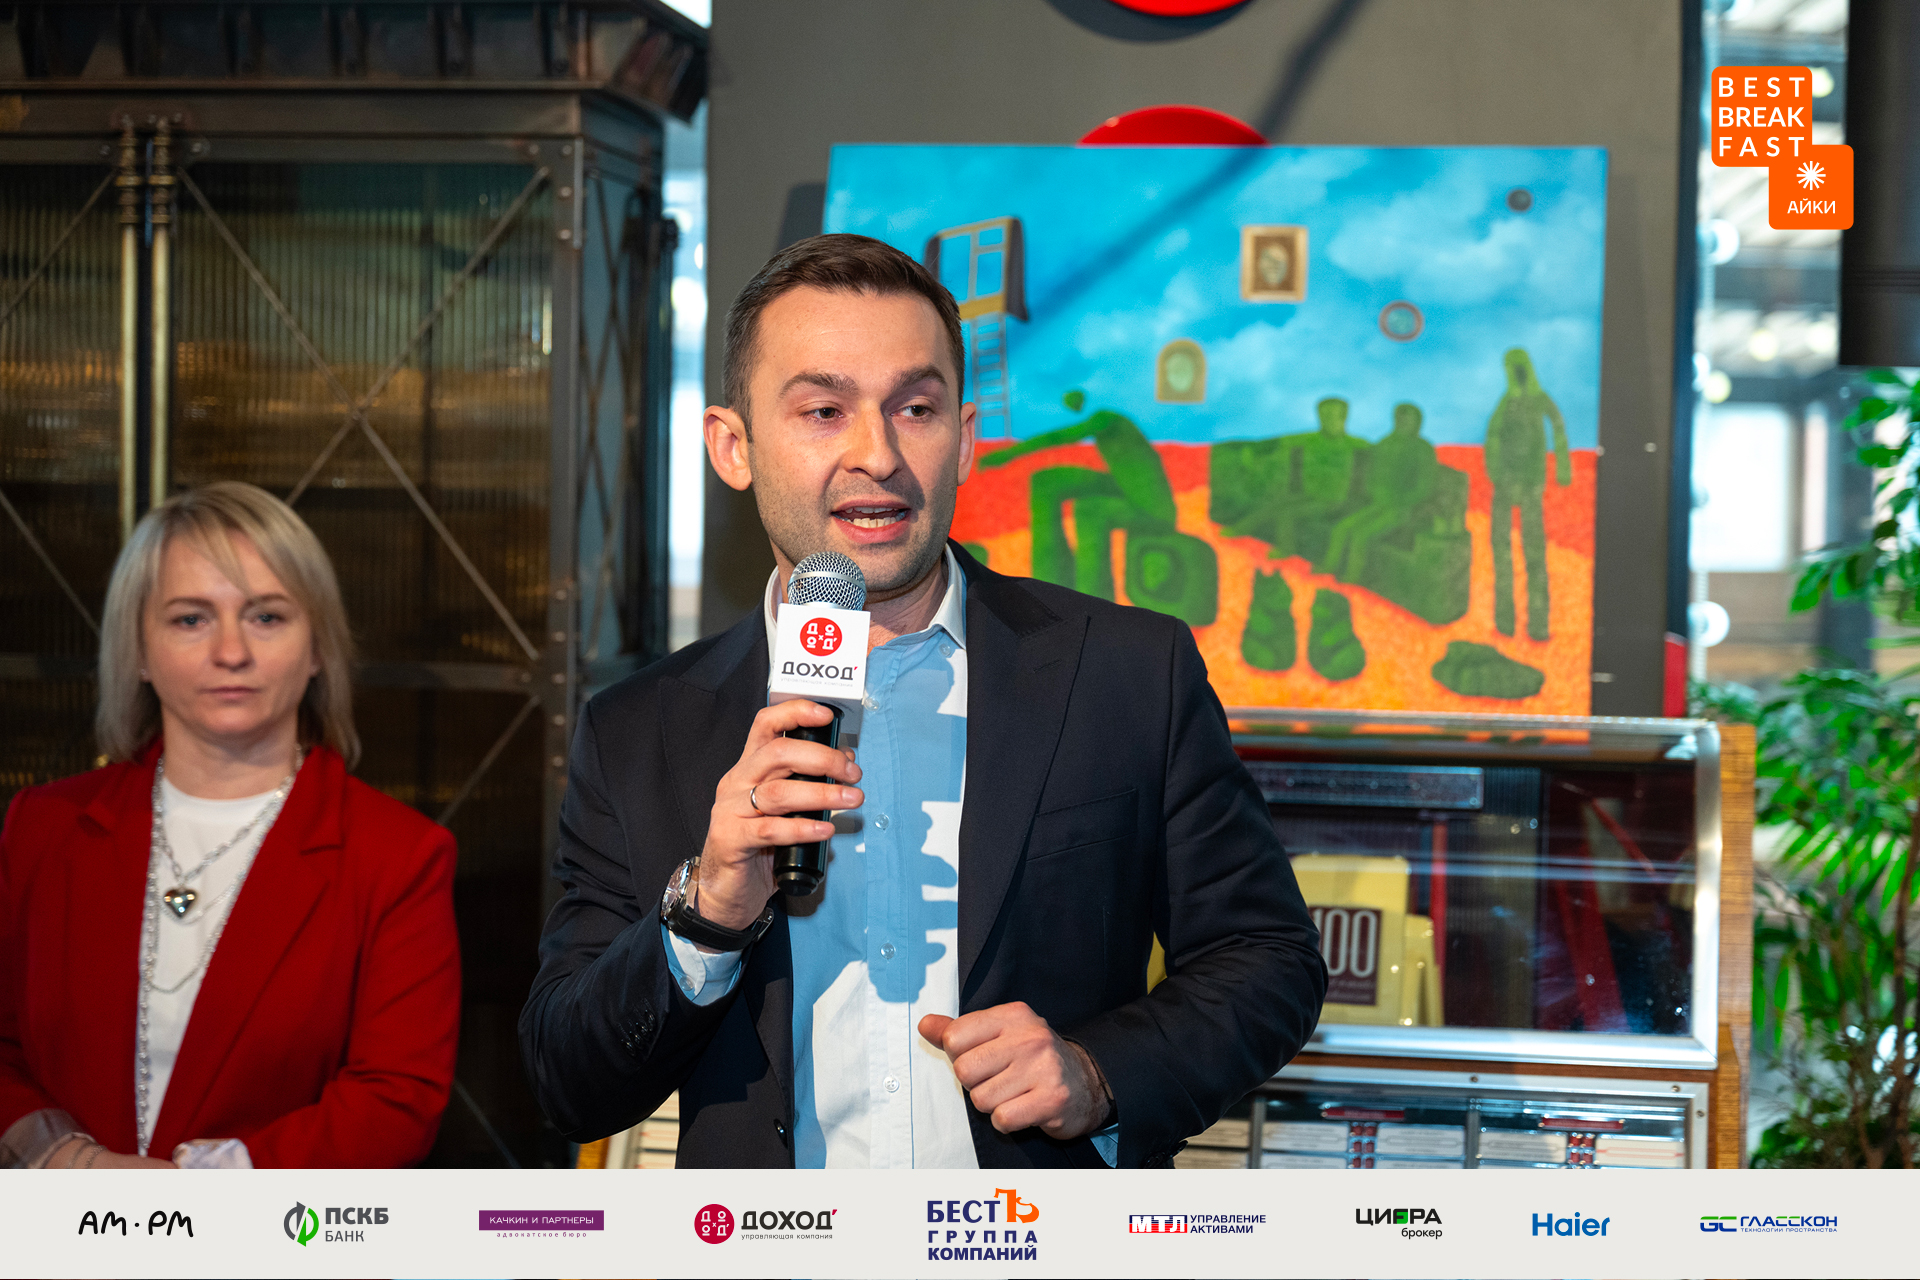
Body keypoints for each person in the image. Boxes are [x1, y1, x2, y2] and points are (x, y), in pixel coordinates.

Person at [520, 234, 1325, 1169]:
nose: (878, 454)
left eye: (915, 408)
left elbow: (1266, 960)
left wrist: (1098, 1073)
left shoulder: (1129, 674)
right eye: (824, 410)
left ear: (966, 438)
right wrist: (707, 913)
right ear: (733, 447)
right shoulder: (640, 729)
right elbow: (567, 1081)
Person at [0, 482, 460, 1169]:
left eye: (266, 617)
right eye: (191, 619)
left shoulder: (399, 855)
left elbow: (396, 1099)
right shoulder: (43, 827)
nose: (231, 651)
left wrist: (196, 1193)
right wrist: (68, 1162)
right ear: (139, 651)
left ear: (317, 649)